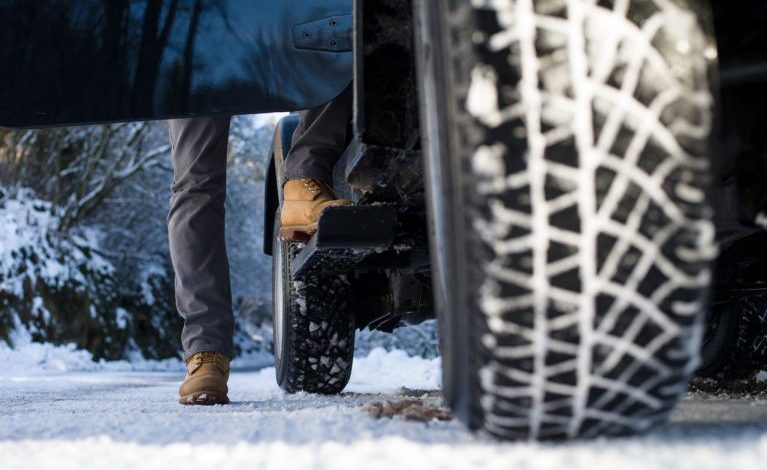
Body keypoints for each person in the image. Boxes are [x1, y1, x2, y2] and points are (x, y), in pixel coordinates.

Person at [170, 86, 352, 405]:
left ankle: (305, 180)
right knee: (195, 182)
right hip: (201, 46)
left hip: (257, 40)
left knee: (340, 47)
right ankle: (205, 353)